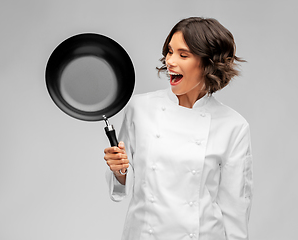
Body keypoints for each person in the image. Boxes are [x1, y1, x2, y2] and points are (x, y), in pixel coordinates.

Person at [104, 17, 253, 240]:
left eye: (183, 55)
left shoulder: (233, 126)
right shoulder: (140, 108)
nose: (170, 61)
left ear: (208, 63)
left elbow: (235, 209)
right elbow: (121, 184)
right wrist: (119, 170)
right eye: (170, 51)